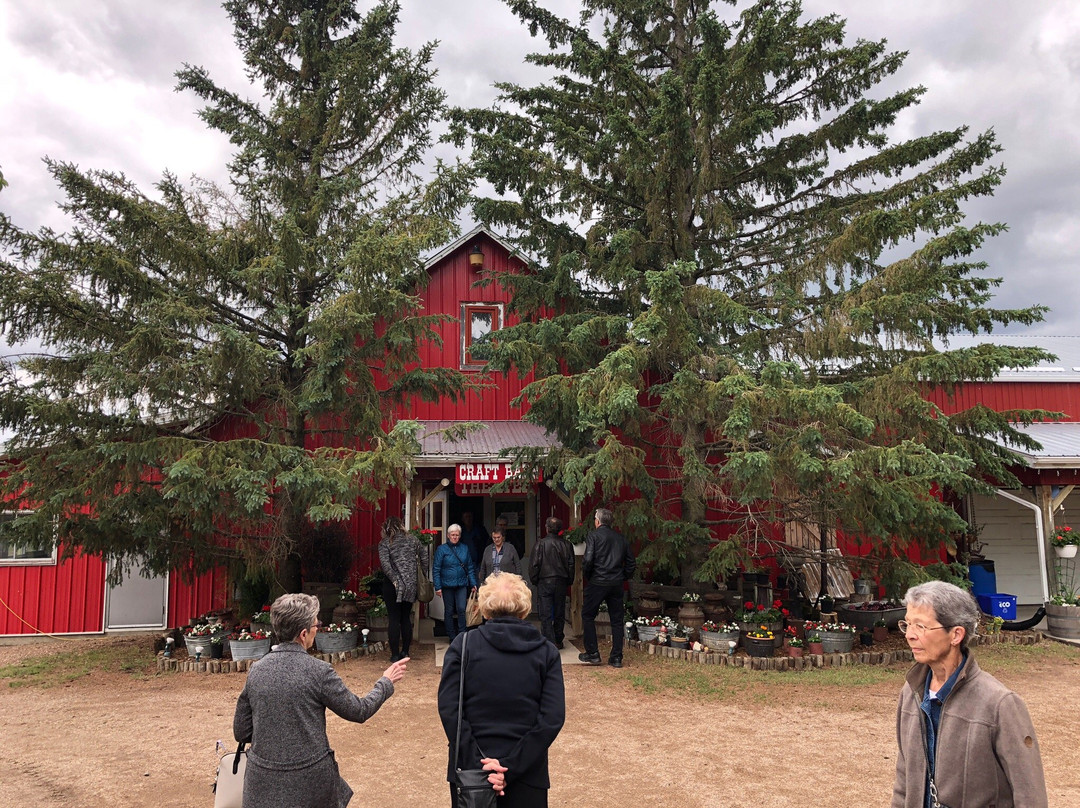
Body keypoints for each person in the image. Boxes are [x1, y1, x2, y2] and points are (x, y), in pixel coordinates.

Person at [232, 593, 408, 808]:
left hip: (261, 783)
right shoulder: (319, 672)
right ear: (303, 634)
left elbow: (241, 731)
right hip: (309, 784)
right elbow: (359, 710)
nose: (317, 629)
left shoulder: (256, 671)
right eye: (316, 625)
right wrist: (385, 682)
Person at [892, 581, 1047, 808]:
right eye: (907, 624)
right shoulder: (911, 692)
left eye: (921, 626)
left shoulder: (1000, 704)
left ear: (956, 635)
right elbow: (904, 780)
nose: (910, 635)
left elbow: (1030, 795)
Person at [437, 573, 565, 808]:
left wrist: (482, 765)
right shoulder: (546, 652)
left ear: (485, 609)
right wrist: (511, 766)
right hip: (527, 771)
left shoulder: (463, 647)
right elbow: (551, 718)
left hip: (471, 773)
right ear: (524, 609)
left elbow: (450, 710)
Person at [578, 507, 635, 668]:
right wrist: (623, 576)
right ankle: (616, 657)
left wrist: (589, 576)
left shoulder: (593, 536)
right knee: (617, 620)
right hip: (616, 582)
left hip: (597, 581)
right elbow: (631, 563)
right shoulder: (621, 538)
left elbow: (588, 559)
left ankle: (593, 653)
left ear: (598, 521)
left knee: (588, 615)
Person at [378, 515, 429, 662]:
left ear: (386, 528)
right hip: (410, 584)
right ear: (401, 525)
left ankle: (395, 655)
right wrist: (422, 574)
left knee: (394, 618)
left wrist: (395, 580)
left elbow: (386, 565)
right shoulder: (413, 540)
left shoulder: (384, 543)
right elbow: (424, 556)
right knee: (405, 617)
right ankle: (405, 652)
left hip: (392, 585)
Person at [530, 516, 575, 648]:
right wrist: (569, 580)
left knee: (545, 613)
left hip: (545, 581)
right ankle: (558, 639)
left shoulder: (540, 544)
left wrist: (535, 580)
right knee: (559, 612)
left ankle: (549, 640)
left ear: (547, 528)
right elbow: (571, 565)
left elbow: (534, 565)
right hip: (561, 581)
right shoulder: (567, 545)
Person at [434, 523, 478, 642]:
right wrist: (437, 586)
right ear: (448, 536)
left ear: (460, 536)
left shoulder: (464, 548)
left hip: (461, 584)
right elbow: (436, 568)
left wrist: (473, 583)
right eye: (452, 535)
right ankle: (451, 636)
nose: (455, 537)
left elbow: (470, 567)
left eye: (457, 535)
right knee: (449, 610)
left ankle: (462, 634)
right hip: (447, 585)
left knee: (461, 609)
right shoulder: (441, 549)